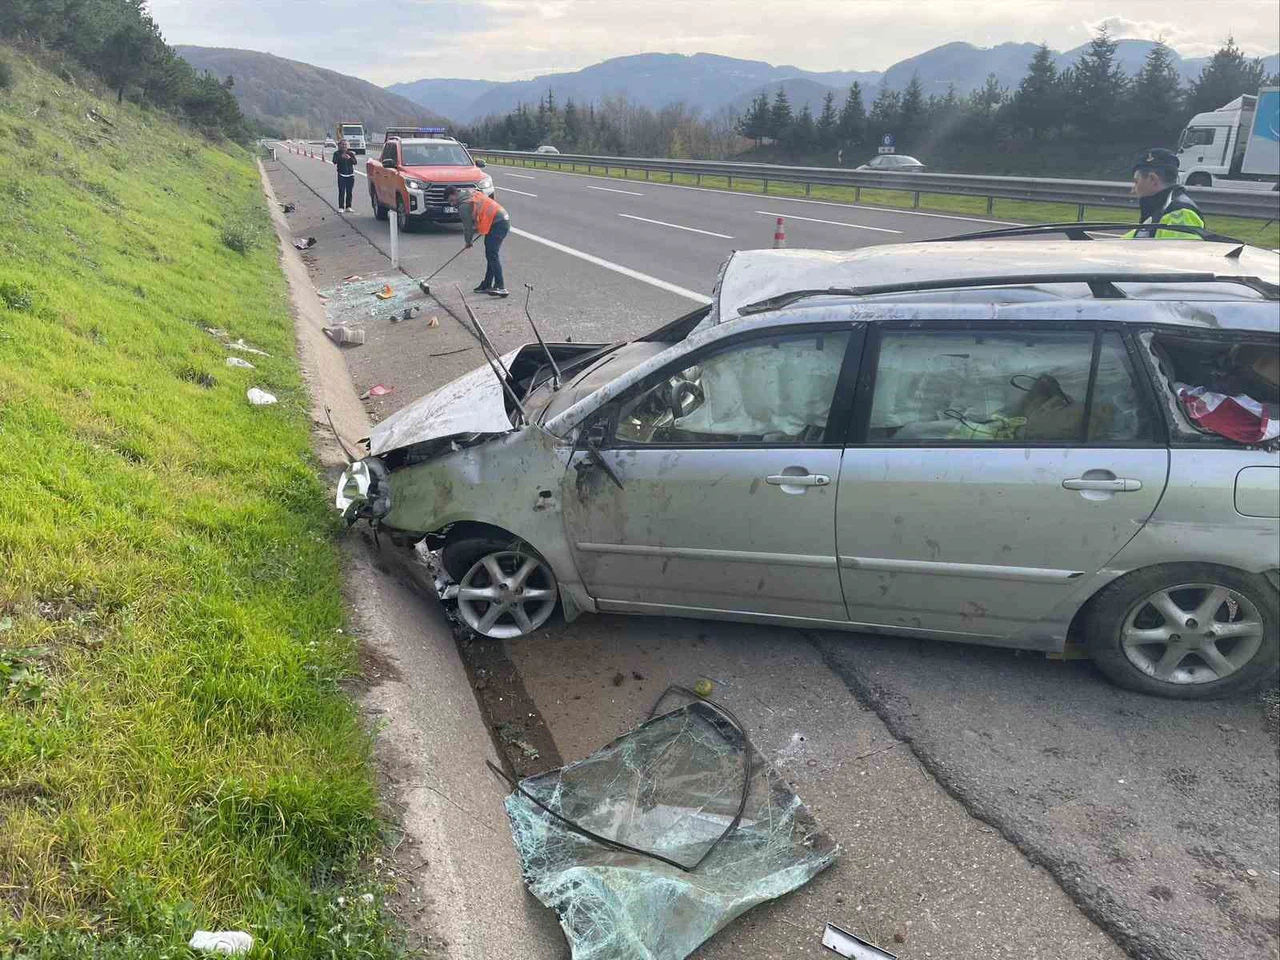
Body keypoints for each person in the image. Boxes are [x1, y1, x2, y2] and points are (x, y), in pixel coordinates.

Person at [1128, 148, 1204, 239]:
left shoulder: (1180, 215)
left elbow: (1181, 251)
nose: (1133, 190)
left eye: (1136, 181)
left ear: (1152, 179)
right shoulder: (1162, 208)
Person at [449, 187, 511, 297]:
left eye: (451, 200)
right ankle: (487, 284)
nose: (451, 204)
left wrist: (468, 242)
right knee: (491, 255)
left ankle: (501, 287)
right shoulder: (470, 194)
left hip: (497, 223)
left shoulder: (464, 205)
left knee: (492, 255)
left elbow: (468, 227)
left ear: (454, 194)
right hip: (500, 220)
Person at [332, 139, 357, 213]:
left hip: (350, 175)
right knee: (342, 191)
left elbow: (355, 162)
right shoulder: (336, 153)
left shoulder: (351, 153)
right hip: (341, 175)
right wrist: (341, 157)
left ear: (348, 146)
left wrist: (349, 158)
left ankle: (348, 206)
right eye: (342, 144)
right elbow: (334, 161)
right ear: (339, 145)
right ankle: (341, 207)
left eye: (345, 144)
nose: (344, 146)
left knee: (349, 191)